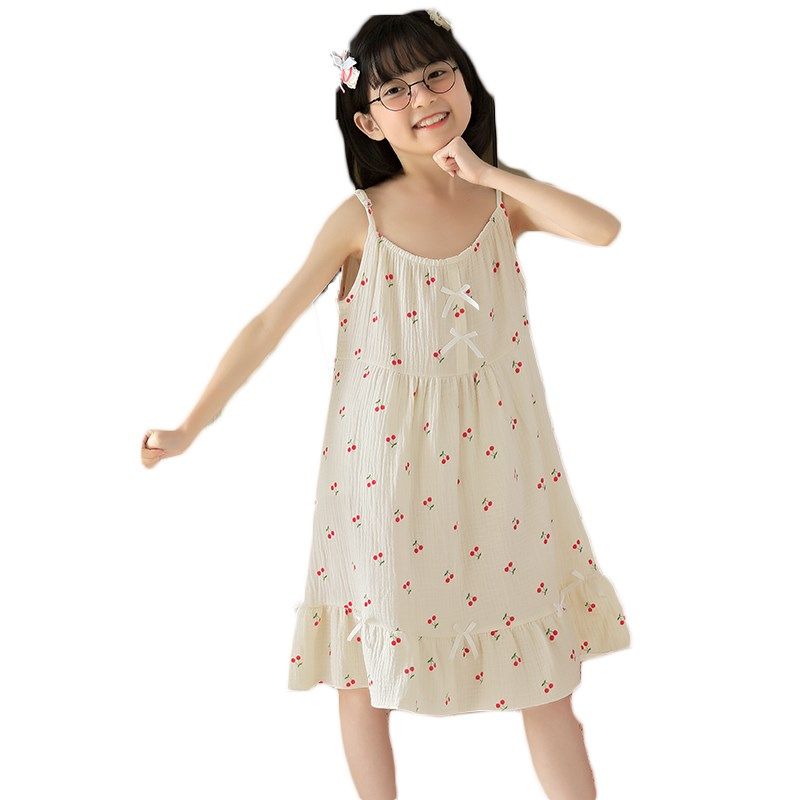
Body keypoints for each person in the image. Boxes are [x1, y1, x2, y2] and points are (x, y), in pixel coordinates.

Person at [141, 9, 631, 799]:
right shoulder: (361, 218)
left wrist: (492, 174)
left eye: (437, 74)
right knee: (366, 670)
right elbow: (269, 324)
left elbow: (602, 230)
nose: (423, 96)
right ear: (368, 120)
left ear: (464, 82)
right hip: (383, 475)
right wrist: (191, 425)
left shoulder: (504, 207)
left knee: (544, 671)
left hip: (505, 469)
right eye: (395, 89)